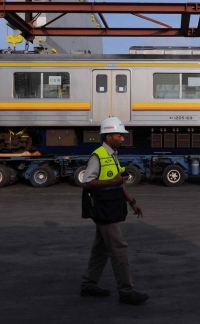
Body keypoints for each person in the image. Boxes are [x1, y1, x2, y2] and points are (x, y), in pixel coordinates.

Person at [80, 117, 148, 305]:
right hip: (103, 210)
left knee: (100, 250)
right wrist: (112, 182)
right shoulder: (98, 155)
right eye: (119, 135)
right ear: (109, 136)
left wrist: (132, 202)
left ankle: (88, 285)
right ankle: (126, 292)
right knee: (119, 248)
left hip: (110, 207)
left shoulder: (112, 155)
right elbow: (86, 182)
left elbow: (120, 182)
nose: (123, 138)